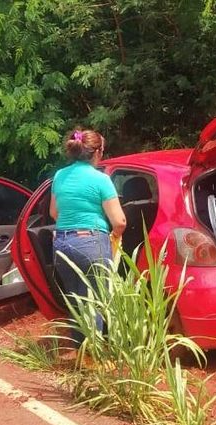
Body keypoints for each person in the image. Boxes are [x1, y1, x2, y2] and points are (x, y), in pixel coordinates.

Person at [49, 128, 126, 346]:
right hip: (91, 242)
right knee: (95, 300)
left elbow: (54, 213)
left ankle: (81, 353)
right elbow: (119, 221)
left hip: (62, 243)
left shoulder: (59, 176)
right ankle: (95, 357)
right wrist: (114, 236)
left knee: (76, 300)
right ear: (98, 153)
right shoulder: (101, 179)